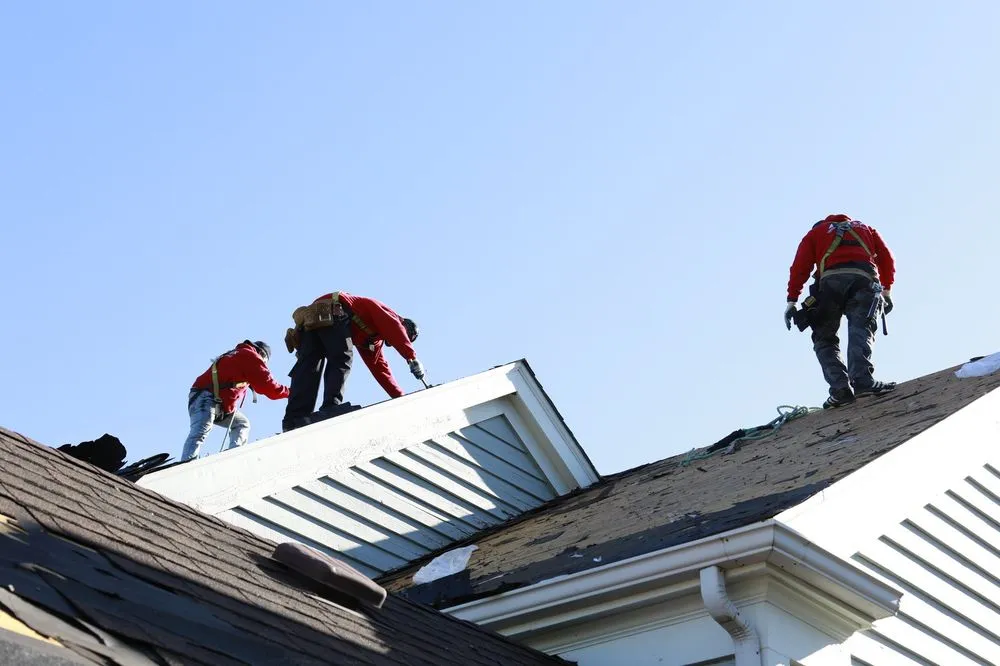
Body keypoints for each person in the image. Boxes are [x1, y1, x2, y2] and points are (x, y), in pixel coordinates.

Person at [784, 214, 897, 408]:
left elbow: (799, 267)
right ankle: (863, 381)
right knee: (861, 329)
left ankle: (840, 390)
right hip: (864, 282)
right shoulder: (866, 229)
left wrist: (792, 300)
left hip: (829, 285)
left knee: (824, 338)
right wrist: (887, 292)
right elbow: (887, 259)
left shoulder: (815, 233)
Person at [282, 291, 425, 432]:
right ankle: (330, 407)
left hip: (313, 317)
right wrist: (411, 357)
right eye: (406, 336)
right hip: (334, 311)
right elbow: (395, 328)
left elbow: (381, 369)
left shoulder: (372, 339)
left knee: (310, 366)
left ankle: (294, 419)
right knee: (342, 357)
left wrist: (400, 398)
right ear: (403, 325)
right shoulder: (390, 316)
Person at [181, 340, 289, 461]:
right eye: (264, 362)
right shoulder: (250, 355)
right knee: (201, 430)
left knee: (241, 423)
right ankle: (187, 461)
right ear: (262, 354)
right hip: (206, 397)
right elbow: (268, 386)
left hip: (215, 401)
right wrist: (290, 392)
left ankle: (234, 454)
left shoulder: (237, 353)